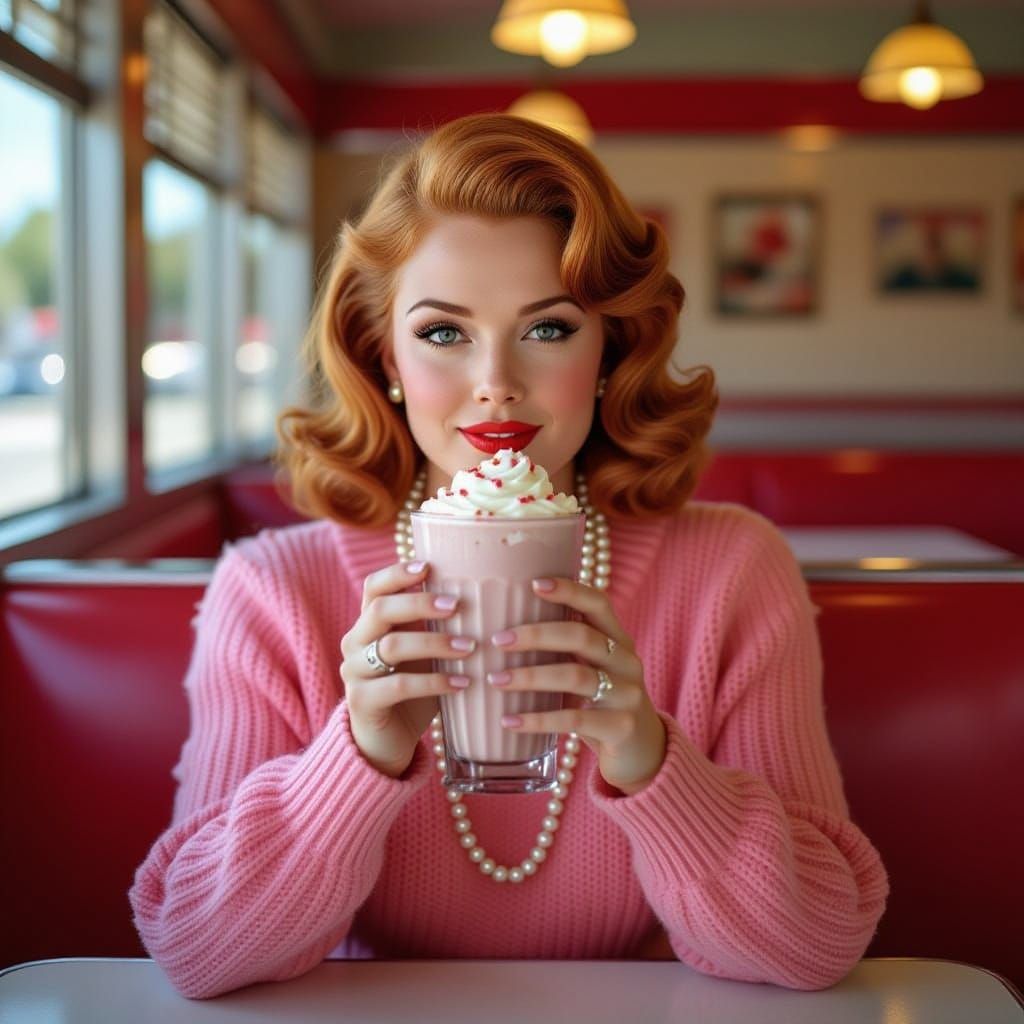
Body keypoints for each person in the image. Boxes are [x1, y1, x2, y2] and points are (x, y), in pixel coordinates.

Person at [130, 113, 888, 1000]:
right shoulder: (271, 592)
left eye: (550, 328)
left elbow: (815, 944)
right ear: (383, 358)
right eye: (444, 333)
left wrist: (649, 758)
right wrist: (359, 753)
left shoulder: (731, 572)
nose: (496, 379)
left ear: (611, 350)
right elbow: (196, 948)